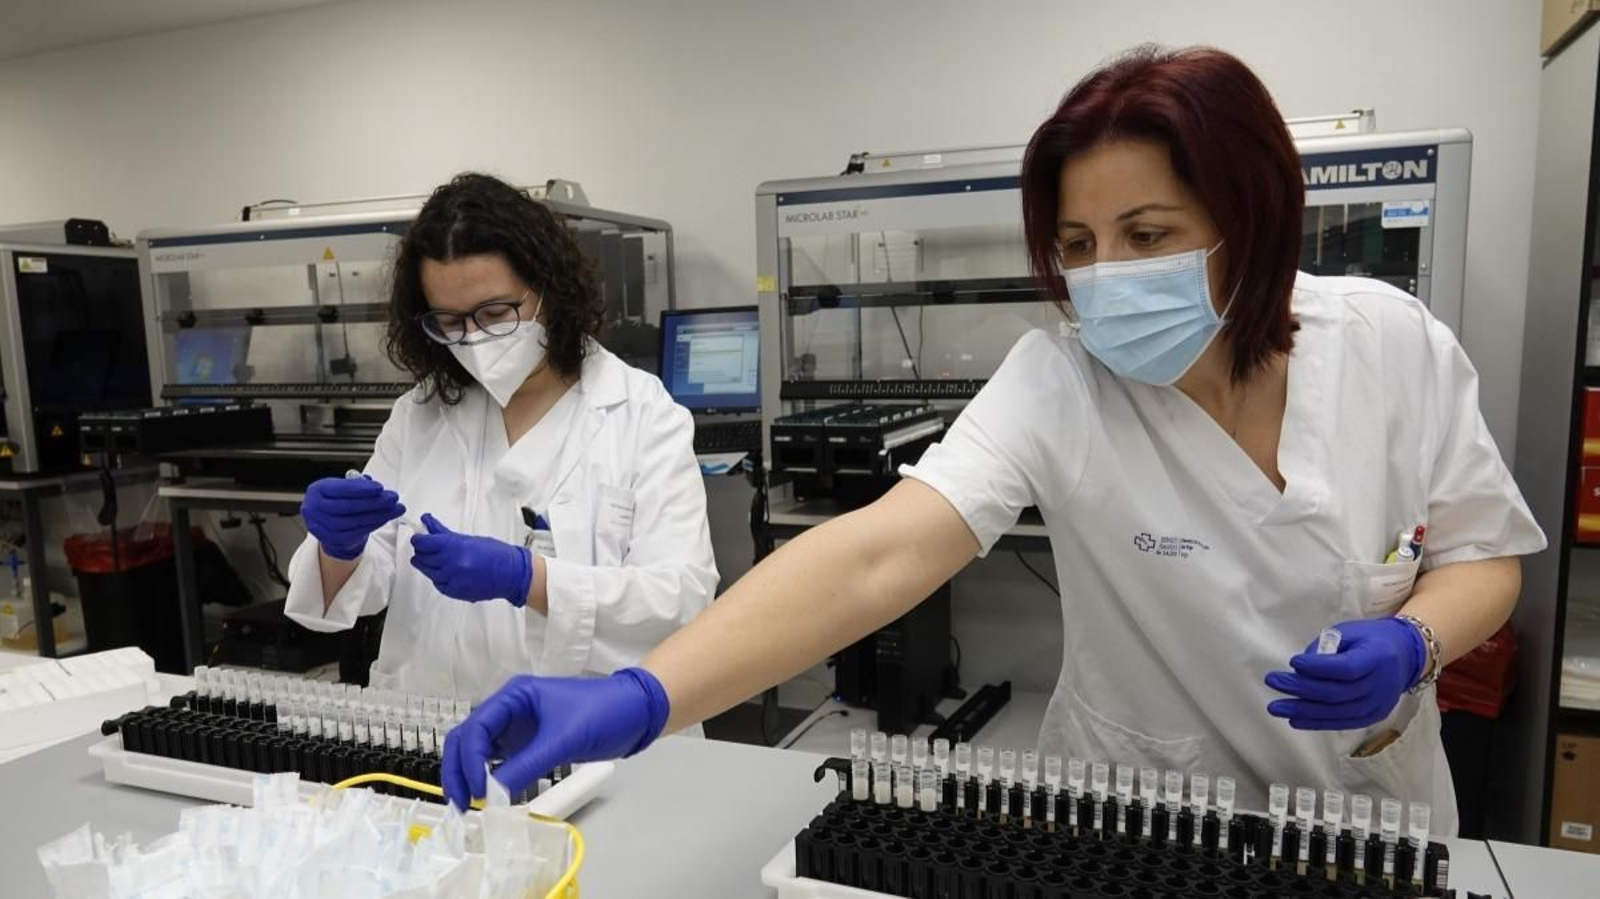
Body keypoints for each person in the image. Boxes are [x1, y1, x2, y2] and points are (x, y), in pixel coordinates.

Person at [440, 47, 1545, 831]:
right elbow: (882, 550)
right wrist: (647, 694)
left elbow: (1480, 554)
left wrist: (1418, 642)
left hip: (1360, 818)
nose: (1104, 273)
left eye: (1147, 234)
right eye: (1076, 241)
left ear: (1249, 215)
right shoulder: (1060, 376)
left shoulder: (1390, 343)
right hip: (1130, 813)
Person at [284, 173, 718, 704]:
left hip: (583, 737)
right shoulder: (419, 414)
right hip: (430, 724)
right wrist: (339, 546)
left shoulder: (641, 414)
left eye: (494, 314)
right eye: (449, 321)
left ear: (549, 290)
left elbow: (682, 598)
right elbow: (359, 587)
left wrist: (528, 580)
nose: (473, 339)